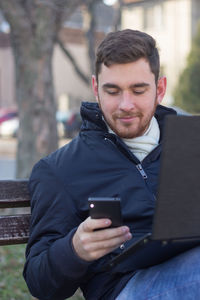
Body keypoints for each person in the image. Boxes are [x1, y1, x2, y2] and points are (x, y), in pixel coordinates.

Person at [23, 29, 200, 300]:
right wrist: (74, 251)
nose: (125, 105)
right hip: (125, 288)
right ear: (96, 88)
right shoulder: (59, 171)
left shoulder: (189, 142)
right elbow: (39, 282)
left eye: (138, 90)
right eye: (113, 91)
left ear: (160, 89)